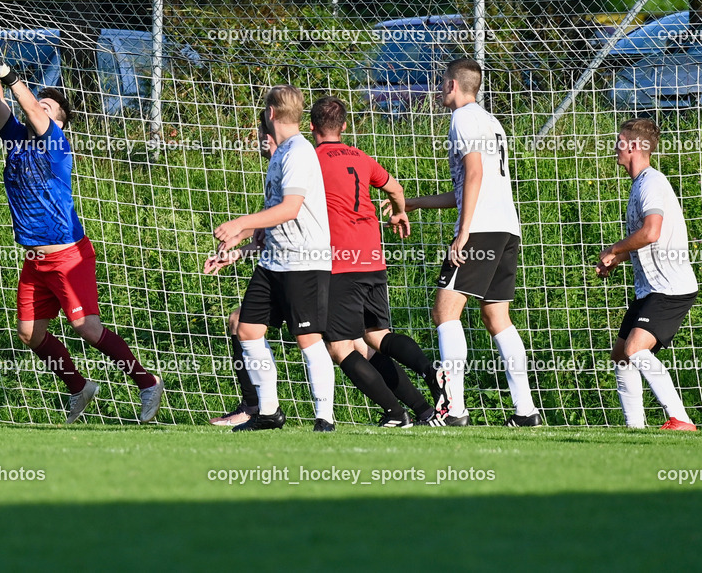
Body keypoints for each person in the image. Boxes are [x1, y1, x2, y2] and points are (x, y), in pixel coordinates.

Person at [0, 42, 163, 424]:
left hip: (68, 256)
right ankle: (78, 387)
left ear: (60, 121)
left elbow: (32, 110)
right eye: (41, 103)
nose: (39, 108)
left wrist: (11, 76)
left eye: (49, 107)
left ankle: (147, 381)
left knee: (85, 326)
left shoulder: (55, 143)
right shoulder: (16, 142)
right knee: (29, 333)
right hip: (34, 258)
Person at [403, 58, 540, 427]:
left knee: (445, 312)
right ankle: (526, 411)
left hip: (480, 229)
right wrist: (414, 203)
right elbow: (468, 188)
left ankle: (454, 410)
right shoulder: (490, 121)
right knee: (497, 317)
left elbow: (476, 173)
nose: (438, 90)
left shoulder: (462, 118)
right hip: (506, 228)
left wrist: (463, 233)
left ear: (452, 85)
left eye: (440, 83)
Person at [310, 96, 450, 428]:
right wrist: (400, 212)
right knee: (377, 336)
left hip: (341, 262)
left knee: (340, 346)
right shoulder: (361, 157)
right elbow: (395, 189)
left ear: (311, 127)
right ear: (344, 126)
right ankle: (427, 393)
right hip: (373, 257)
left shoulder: (312, 160)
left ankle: (396, 412)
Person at [208, 85, 335, 432]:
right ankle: (268, 413)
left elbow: (291, 209)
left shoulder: (299, 151)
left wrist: (239, 222)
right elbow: (272, 219)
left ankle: (325, 417)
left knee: (308, 339)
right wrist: (240, 246)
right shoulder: (280, 153)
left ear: (272, 114)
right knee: (247, 328)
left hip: (303, 261)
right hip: (274, 262)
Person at [596, 119, 699, 431]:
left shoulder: (651, 182)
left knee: (635, 349)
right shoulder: (640, 183)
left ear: (632, 146)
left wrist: (614, 248)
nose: (615, 146)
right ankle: (635, 428)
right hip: (650, 289)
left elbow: (651, 232)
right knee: (621, 355)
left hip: (670, 288)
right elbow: (647, 239)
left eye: (618, 140)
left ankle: (680, 418)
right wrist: (618, 257)